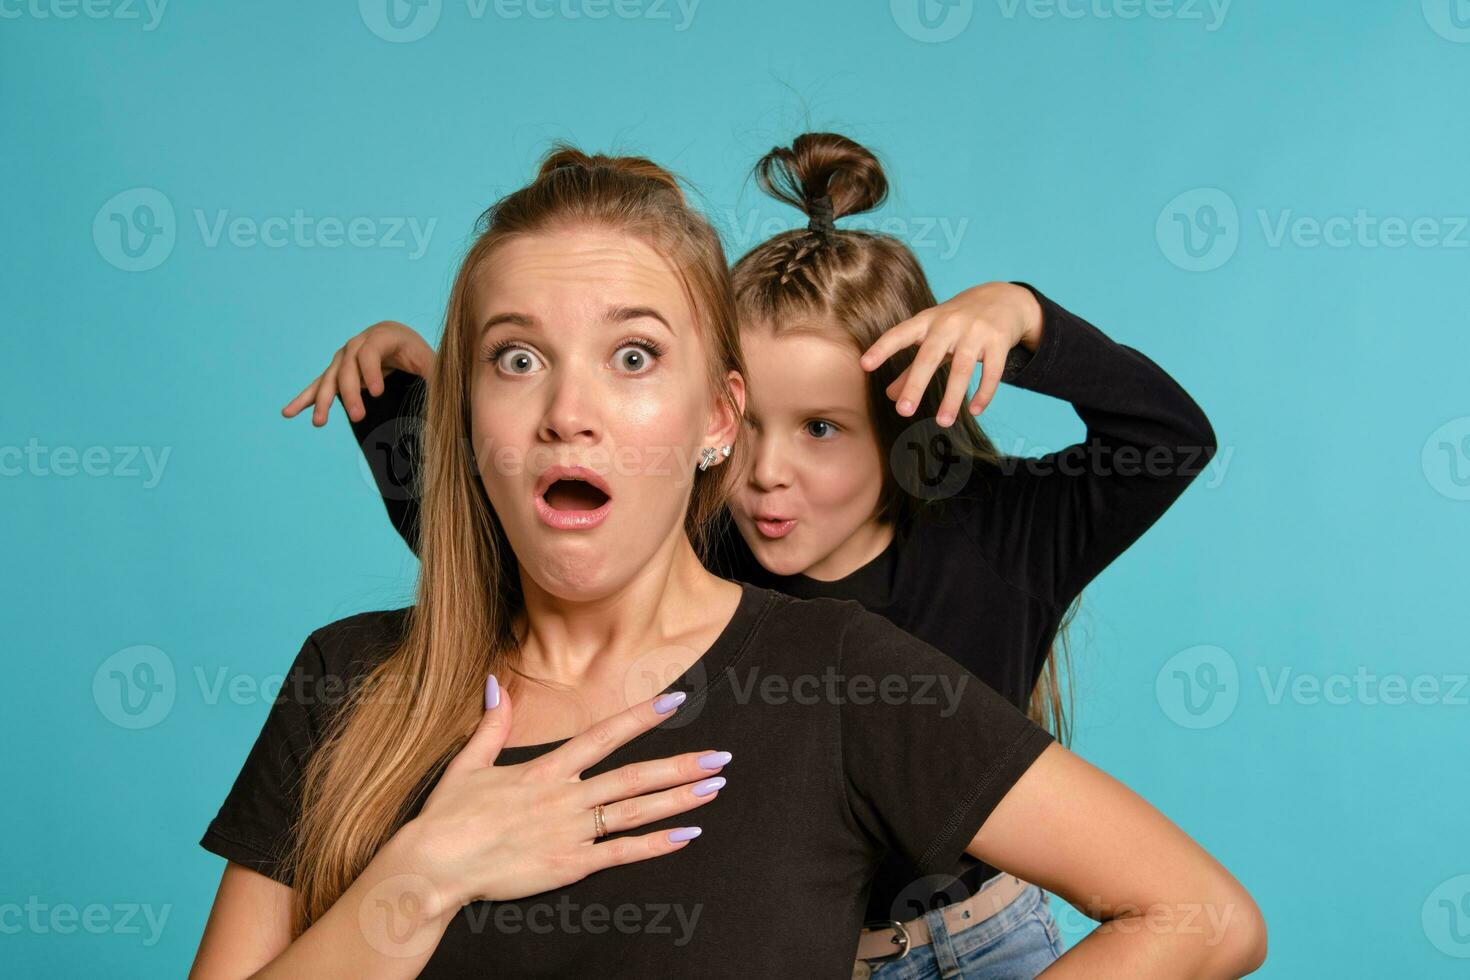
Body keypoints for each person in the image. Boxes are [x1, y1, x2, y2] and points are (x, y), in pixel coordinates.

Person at [192, 146, 1265, 978]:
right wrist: (417, 878)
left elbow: (1201, 914)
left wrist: (1024, 315)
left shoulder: (854, 660)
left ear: (712, 413)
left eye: (633, 355)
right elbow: (470, 529)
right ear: (471, 414)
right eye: (516, 358)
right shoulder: (347, 678)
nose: (570, 411)